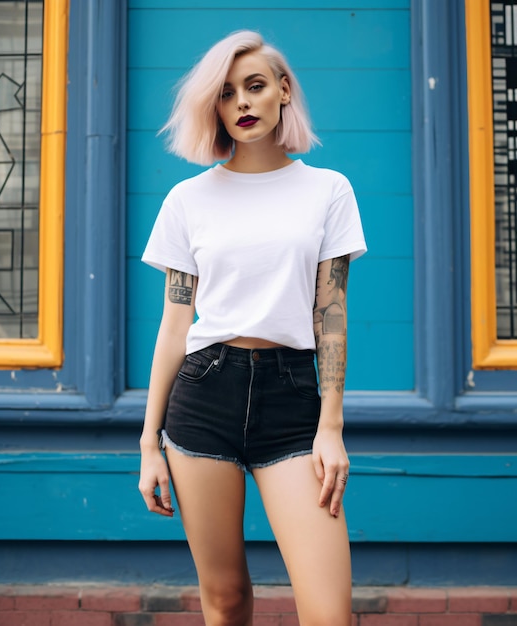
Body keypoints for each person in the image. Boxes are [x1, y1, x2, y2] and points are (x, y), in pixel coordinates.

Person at [138, 30, 367, 626]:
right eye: (227, 92)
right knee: (226, 599)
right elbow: (174, 325)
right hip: (203, 396)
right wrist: (147, 443)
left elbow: (331, 316)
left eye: (256, 86)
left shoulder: (328, 190)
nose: (241, 102)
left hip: (292, 399)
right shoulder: (187, 200)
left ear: (283, 91)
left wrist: (331, 427)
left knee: (328, 613)